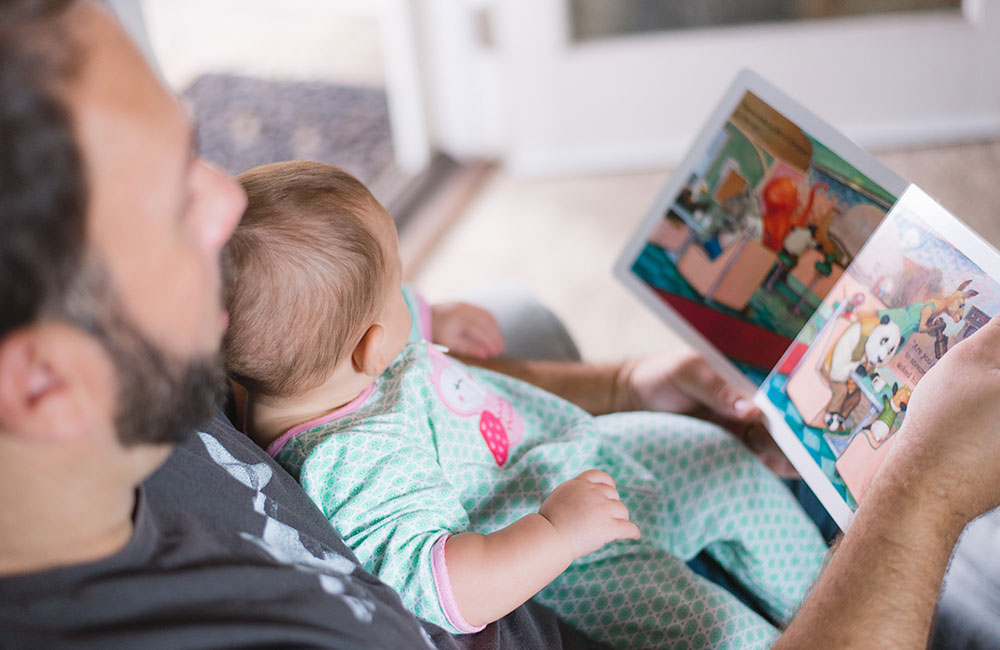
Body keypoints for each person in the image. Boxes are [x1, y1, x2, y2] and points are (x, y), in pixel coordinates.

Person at [1, 2, 999, 648]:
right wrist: (923, 494)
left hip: (583, 470)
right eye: (173, 202)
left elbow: (400, 379)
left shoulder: (169, 352)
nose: (226, 202)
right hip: (615, 581)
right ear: (42, 383)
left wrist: (618, 382)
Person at [223, 160, 828, 648]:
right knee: (723, 635)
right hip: (575, 561)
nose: (409, 295)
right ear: (372, 347)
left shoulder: (300, 369)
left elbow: (351, 314)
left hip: (569, 453)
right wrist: (556, 532)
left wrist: (430, 315)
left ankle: (830, 600)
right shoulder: (354, 461)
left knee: (719, 458)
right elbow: (444, 587)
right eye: (398, 289)